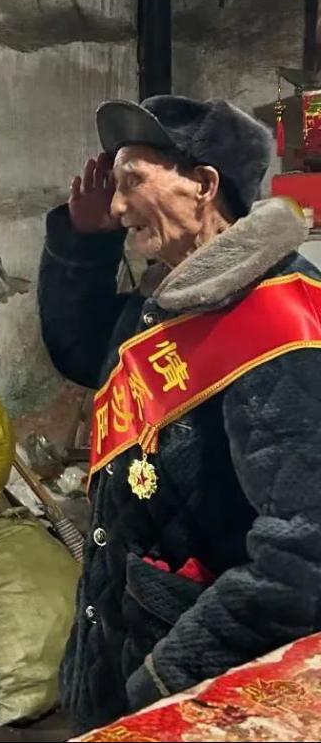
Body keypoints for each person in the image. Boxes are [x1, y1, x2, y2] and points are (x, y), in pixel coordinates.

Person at [40, 95, 321, 733]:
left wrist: (167, 678)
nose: (117, 207)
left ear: (204, 185)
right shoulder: (176, 295)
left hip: (184, 675)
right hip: (125, 638)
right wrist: (83, 244)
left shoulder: (277, 323)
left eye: (132, 181)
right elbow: (82, 351)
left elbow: (305, 554)